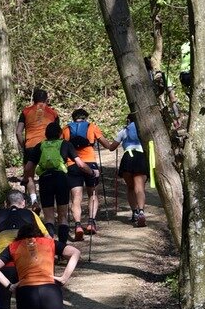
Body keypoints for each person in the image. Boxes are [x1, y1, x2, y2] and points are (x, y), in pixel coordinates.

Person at [65, 105, 117, 238]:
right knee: (93, 194)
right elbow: (107, 145)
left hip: (72, 164)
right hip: (90, 164)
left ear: (73, 119)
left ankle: (77, 225)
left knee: (76, 197)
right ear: (85, 118)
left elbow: (62, 146)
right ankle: (91, 223)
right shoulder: (92, 127)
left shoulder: (65, 129)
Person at [36, 119, 76, 262]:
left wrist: (26, 179)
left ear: (46, 135)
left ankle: (50, 250)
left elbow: (29, 167)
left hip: (45, 179)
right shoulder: (65, 144)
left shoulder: (39, 146)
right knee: (63, 216)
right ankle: (62, 250)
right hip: (61, 179)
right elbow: (79, 163)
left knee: (49, 218)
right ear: (60, 134)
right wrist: (91, 172)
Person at [17, 87, 60, 201]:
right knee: (48, 173)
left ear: (33, 100)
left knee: (29, 175)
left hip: (30, 145)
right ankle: (49, 198)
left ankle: (33, 200)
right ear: (46, 99)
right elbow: (58, 133)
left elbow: (18, 132)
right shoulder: (53, 113)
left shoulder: (25, 111)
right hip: (48, 146)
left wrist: (24, 146)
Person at [118, 112, 150, 224]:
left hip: (127, 158)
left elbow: (112, 147)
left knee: (130, 188)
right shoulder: (144, 130)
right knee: (140, 187)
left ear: (128, 120)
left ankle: (134, 213)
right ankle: (141, 212)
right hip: (140, 157)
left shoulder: (123, 131)